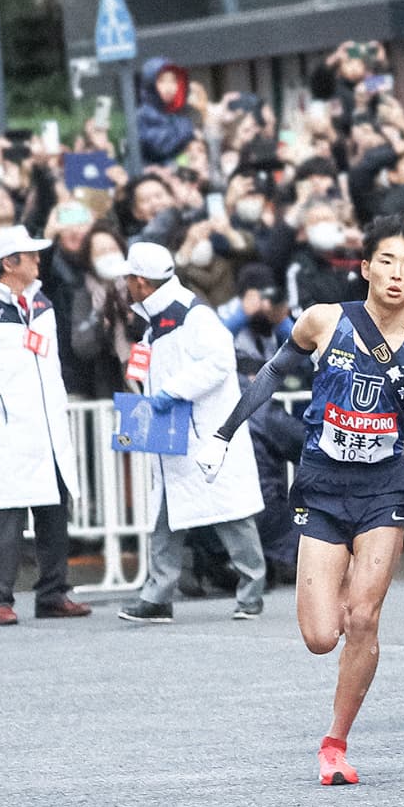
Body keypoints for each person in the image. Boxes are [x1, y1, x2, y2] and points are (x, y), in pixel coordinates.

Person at [194, 218, 404, 784]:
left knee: (364, 617)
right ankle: (340, 577)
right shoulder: (324, 320)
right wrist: (223, 434)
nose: (397, 274)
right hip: (324, 486)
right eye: (387, 261)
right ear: (366, 267)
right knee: (319, 637)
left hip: (384, 489)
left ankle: (335, 742)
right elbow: (270, 374)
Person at [114, 242, 269, 623]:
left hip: (203, 434)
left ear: (140, 281)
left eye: (128, 278)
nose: (126, 284)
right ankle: (158, 597)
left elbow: (220, 362)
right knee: (166, 518)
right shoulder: (160, 317)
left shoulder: (192, 314)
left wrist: (171, 391)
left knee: (231, 514)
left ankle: (251, 592)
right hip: (176, 437)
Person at [0, 225, 91, 625]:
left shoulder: (42, 305)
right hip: (4, 431)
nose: (39, 260)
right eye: (31, 255)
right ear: (9, 263)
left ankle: (53, 592)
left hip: (48, 427)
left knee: (54, 508)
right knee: (5, 514)